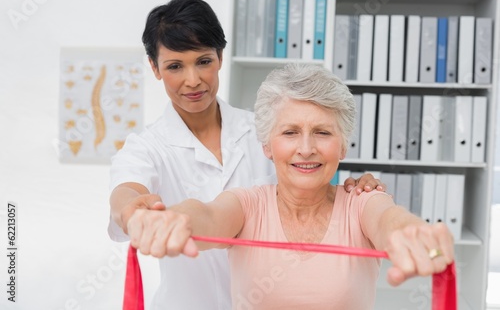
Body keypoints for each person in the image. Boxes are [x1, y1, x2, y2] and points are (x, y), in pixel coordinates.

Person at [108, 0, 384, 309]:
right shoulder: (146, 147)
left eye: (203, 61)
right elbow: (127, 191)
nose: (193, 80)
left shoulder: (269, 131)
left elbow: (314, 184)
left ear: (220, 57)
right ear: (155, 68)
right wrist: (133, 211)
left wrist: (359, 191)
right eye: (175, 66)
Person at [127, 63, 455, 310]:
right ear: (267, 146)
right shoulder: (247, 205)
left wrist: (413, 233)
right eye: (290, 132)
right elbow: (206, 215)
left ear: (343, 147)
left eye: (323, 133)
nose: (307, 148)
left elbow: (391, 221)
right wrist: (173, 219)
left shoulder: (362, 201)